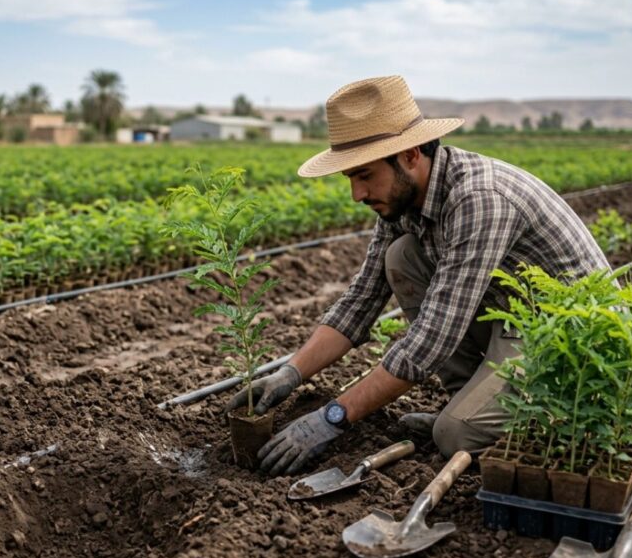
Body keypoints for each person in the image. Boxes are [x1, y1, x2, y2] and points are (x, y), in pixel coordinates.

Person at [231, 75, 610, 476]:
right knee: (402, 257)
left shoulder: (480, 199)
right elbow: (363, 298)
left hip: (565, 335)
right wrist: (291, 372)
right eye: (350, 179)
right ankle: (467, 404)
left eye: (364, 175)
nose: (356, 195)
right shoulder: (403, 201)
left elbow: (434, 335)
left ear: (410, 155)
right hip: (512, 314)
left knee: (455, 437)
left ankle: (492, 422)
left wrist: (334, 416)